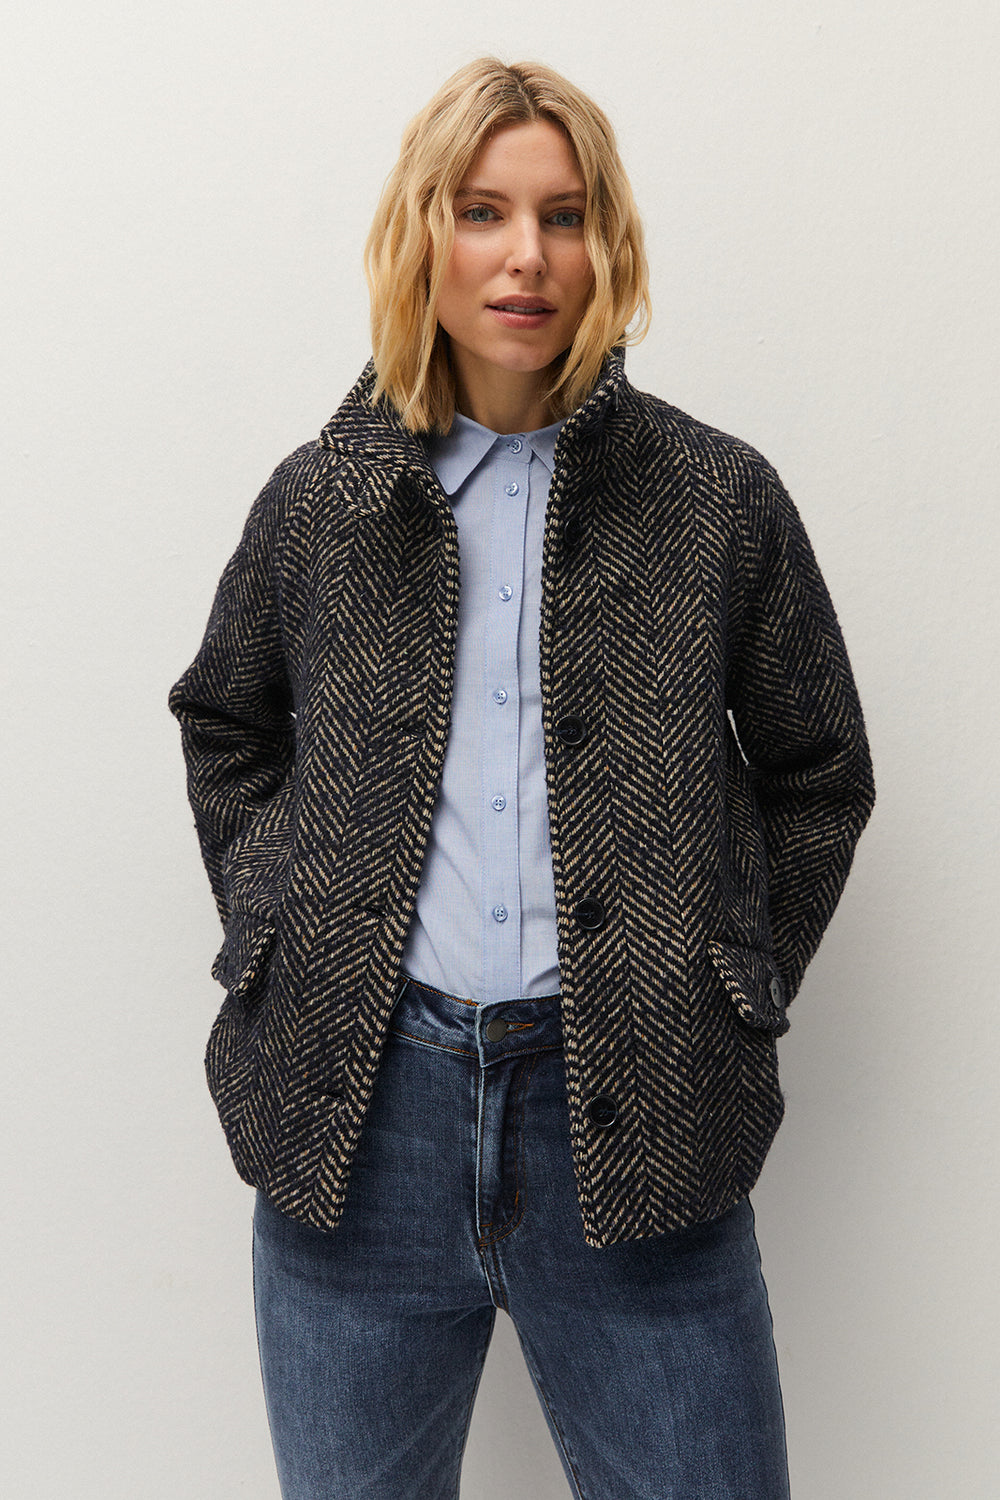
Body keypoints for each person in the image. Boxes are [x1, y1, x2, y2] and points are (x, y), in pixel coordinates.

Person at [169, 57, 874, 1500]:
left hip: (641, 1119)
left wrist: (720, 975)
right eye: (482, 211)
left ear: (608, 244)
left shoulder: (715, 498)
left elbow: (818, 771)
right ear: (421, 232)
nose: (525, 257)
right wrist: (285, 924)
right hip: (361, 1122)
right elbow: (227, 721)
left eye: (564, 215)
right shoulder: (323, 497)